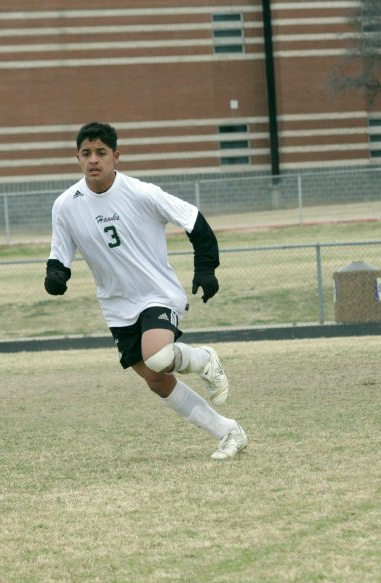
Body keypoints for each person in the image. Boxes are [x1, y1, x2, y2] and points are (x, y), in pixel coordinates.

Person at [45, 122, 248, 460]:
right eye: (86, 153)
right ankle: (228, 431)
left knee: (158, 355)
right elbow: (60, 252)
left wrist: (206, 269)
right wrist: (56, 274)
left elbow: (194, 220)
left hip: (156, 293)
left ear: (116, 156)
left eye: (101, 153)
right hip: (116, 304)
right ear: (78, 158)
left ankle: (204, 359)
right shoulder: (66, 204)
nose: (93, 160)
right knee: (155, 379)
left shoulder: (140, 193)